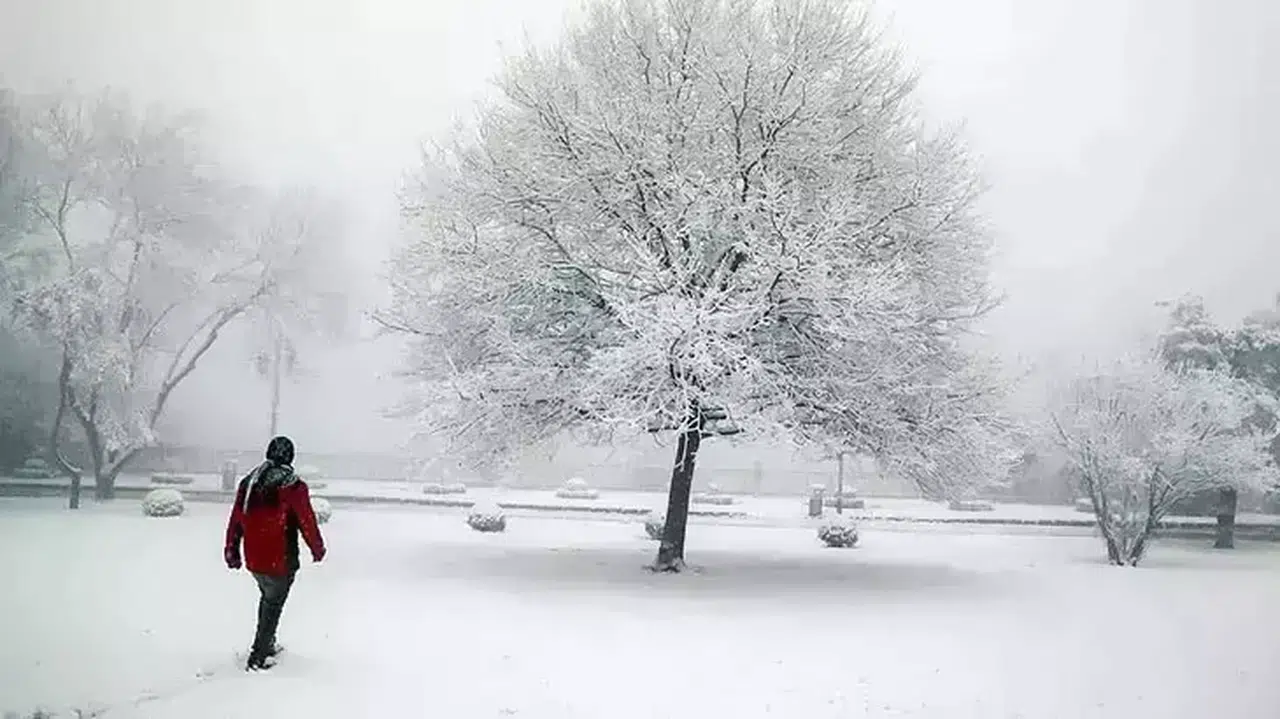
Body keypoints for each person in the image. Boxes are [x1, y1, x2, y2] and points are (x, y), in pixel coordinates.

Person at [223, 435, 326, 671]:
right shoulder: (293, 486)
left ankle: (267, 644)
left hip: (255, 560)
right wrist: (317, 548)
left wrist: (232, 549)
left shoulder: (250, 483)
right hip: (281, 561)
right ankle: (258, 656)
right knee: (273, 604)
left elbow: (236, 518)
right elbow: (306, 521)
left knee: (268, 600)